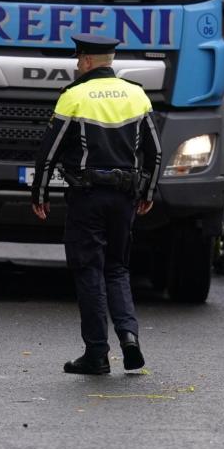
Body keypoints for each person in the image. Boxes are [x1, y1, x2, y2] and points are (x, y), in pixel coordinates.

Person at [31, 33, 163, 375]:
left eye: (79, 59)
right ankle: (130, 338)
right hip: (124, 198)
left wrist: (39, 193)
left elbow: (49, 152)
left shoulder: (73, 97)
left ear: (88, 60)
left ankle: (97, 354)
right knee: (117, 269)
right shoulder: (137, 94)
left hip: (87, 197)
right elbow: (156, 153)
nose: (77, 65)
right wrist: (148, 194)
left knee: (89, 270)